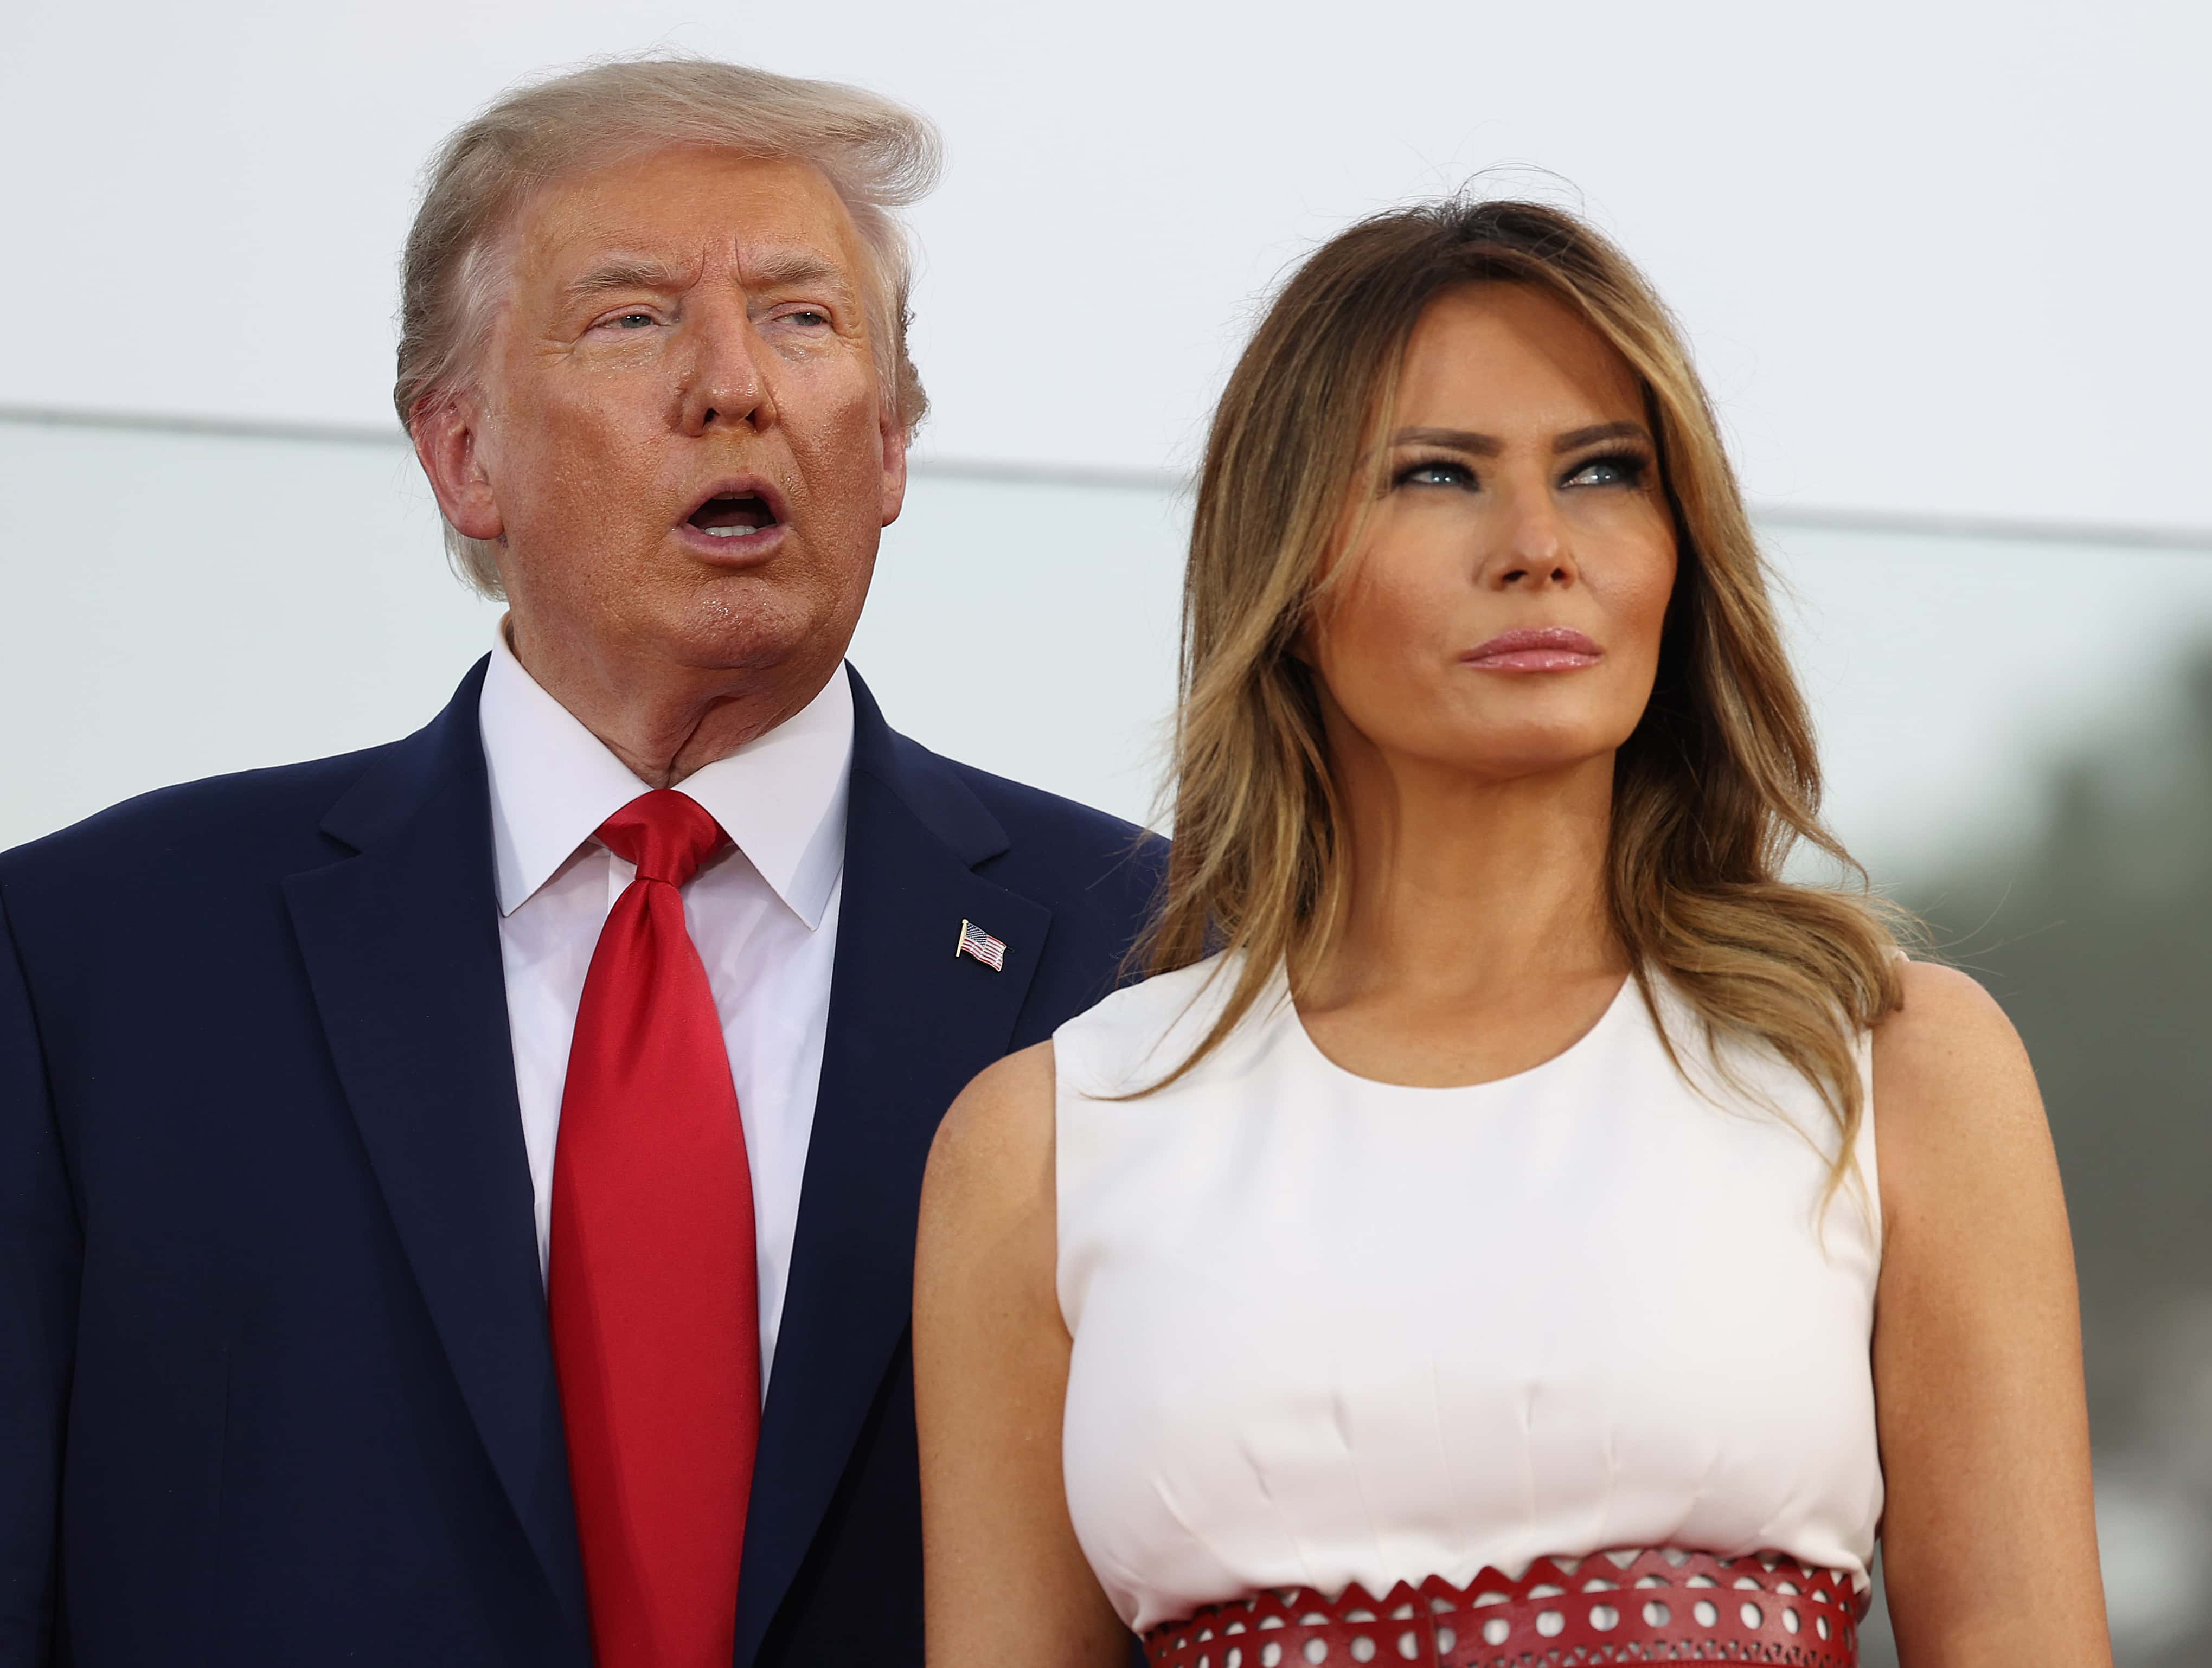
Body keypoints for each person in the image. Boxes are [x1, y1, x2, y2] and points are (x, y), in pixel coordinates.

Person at [0, 58, 1158, 1668]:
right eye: (631, 317)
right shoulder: (94, 965)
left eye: (805, 320)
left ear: (890, 447)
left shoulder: (1148, 961)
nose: (734, 384)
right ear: (461, 452)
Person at [914, 198, 2113, 1666]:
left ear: (1682, 550)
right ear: (1288, 573)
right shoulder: (1049, 1140)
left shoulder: (1892, 1067)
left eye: (1605, 471)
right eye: (1440, 475)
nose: (1542, 545)